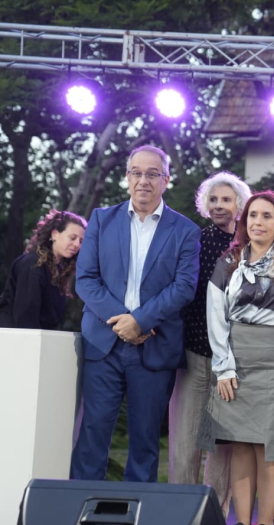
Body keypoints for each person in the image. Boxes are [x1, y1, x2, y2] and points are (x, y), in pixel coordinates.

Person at [70, 146, 200, 482]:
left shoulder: (186, 231)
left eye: (152, 173)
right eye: (136, 172)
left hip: (154, 347)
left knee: (145, 442)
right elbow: (85, 280)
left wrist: (141, 321)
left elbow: (184, 287)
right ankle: (81, 518)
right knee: (92, 435)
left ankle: (135, 521)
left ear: (165, 180)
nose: (143, 180)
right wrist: (123, 321)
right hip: (103, 344)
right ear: (127, 177)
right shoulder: (101, 219)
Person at [198, 191, 274, 525]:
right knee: (241, 444)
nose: (258, 222)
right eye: (252, 216)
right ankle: (241, 524)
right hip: (237, 358)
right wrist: (223, 367)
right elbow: (215, 315)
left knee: (272, 446)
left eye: (266, 216)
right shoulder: (229, 261)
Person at [168, 172, 251, 518]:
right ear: (205, 204)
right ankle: (179, 512)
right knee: (184, 440)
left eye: (226, 199)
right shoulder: (194, 240)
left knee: (222, 445)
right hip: (192, 353)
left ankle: (213, 516)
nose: (219, 205)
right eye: (213, 200)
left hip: (233, 358)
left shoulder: (251, 244)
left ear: (239, 205)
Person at [0, 209, 87, 330]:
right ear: (55, 234)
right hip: (18, 341)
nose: (77, 244)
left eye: (81, 241)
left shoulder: (59, 269)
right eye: (72, 238)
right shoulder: (33, 264)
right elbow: (26, 317)